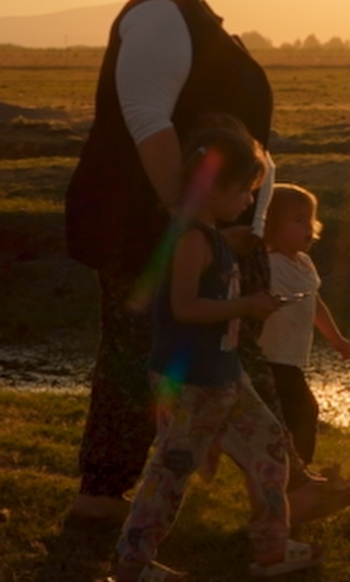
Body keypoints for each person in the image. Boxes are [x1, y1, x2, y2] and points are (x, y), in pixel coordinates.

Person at [64, 0, 272, 524]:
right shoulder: (159, 15)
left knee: (192, 354)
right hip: (147, 226)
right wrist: (193, 226)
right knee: (142, 355)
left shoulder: (188, 14)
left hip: (183, 226)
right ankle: (105, 495)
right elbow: (147, 120)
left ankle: (278, 482)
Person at [110, 118, 319, 582]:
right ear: (213, 190)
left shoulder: (208, 237)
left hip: (224, 375)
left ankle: (270, 547)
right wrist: (248, 305)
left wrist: (229, 248)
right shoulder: (190, 239)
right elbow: (184, 306)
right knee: (169, 473)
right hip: (191, 381)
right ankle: (132, 564)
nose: (249, 202)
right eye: (244, 192)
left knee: (270, 447)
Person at [257, 185, 350, 471]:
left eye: (309, 220)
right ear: (272, 225)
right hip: (268, 358)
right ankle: (300, 472)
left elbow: (315, 304)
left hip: (290, 359)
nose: (308, 228)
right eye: (298, 221)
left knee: (283, 418)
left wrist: (336, 339)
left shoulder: (304, 264)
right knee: (304, 411)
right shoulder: (267, 265)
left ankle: (292, 472)